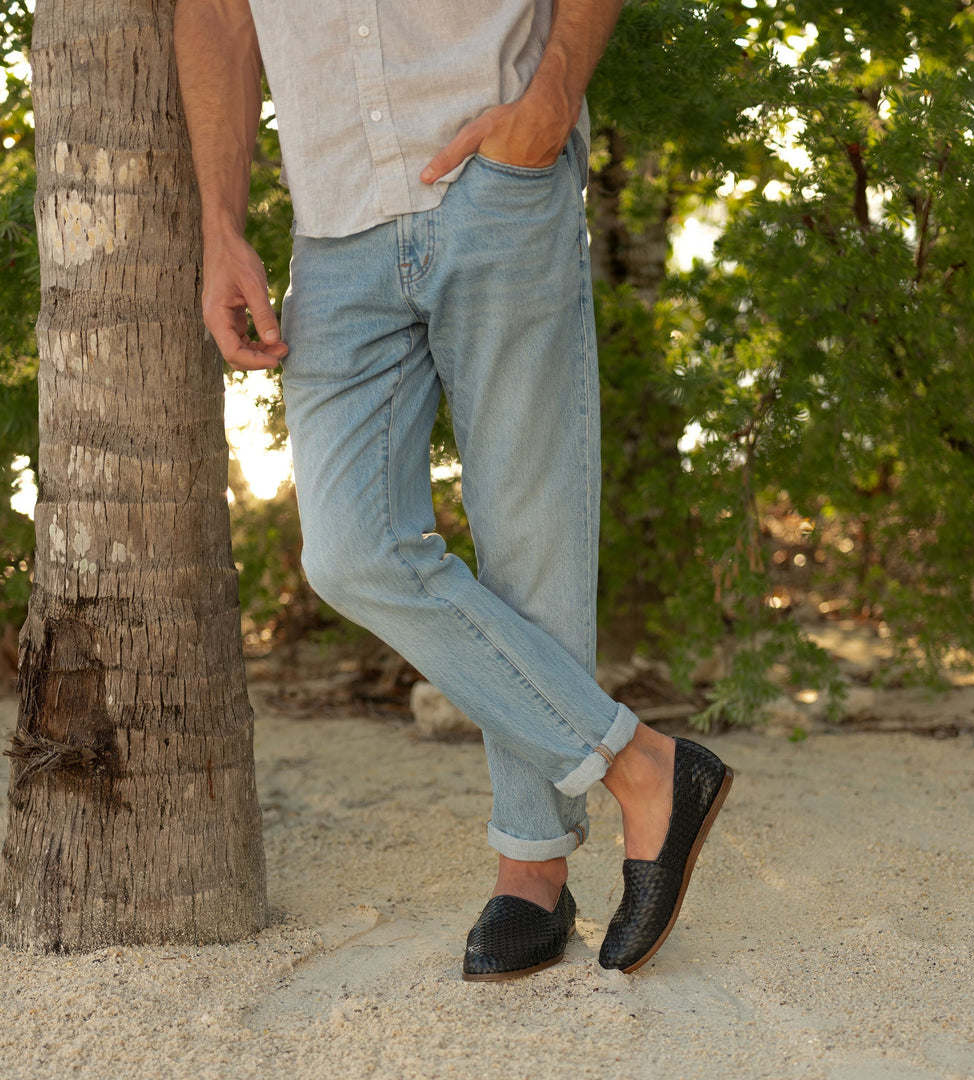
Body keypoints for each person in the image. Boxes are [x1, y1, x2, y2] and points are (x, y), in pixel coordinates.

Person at [173, 0, 733, 980]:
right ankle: (646, 766)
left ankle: (532, 873)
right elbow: (218, 10)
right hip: (334, 217)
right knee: (351, 551)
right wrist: (221, 224)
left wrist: (550, 97)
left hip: (496, 166)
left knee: (531, 532)